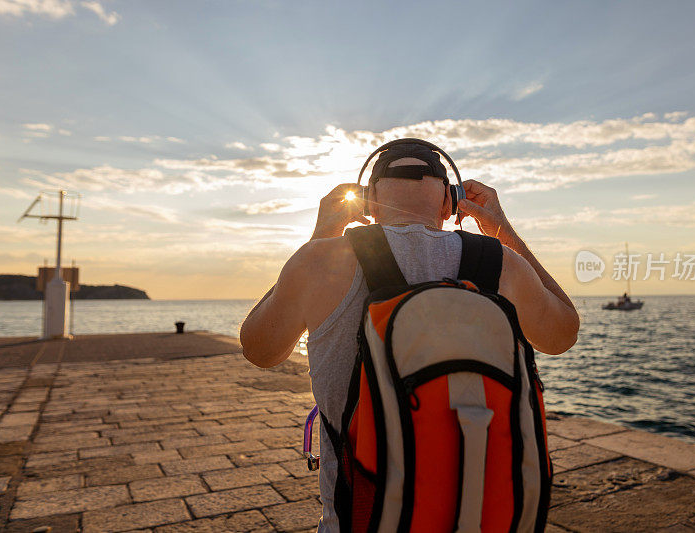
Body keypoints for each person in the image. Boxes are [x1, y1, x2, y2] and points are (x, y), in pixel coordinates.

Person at [240, 142, 580, 532]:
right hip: (483, 519)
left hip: (361, 521)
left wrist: (321, 234)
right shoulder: (501, 263)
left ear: (367, 203)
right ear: (449, 203)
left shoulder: (320, 261)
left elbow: (258, 349)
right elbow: (562, 334)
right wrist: (502, 231)